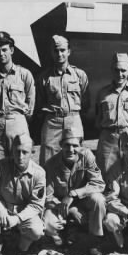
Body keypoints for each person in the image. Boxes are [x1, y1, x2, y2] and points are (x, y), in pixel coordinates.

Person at [43, 127, 106, 255]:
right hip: (60, 206)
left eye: (75, 145)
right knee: (48, 223)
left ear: (80, 146)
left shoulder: (87, 156)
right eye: (67, 145)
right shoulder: (51, 164)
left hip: (82, 201)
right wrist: (70, 209)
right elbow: (47, 196)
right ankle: (61, 236)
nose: (71, 149)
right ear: (60, 145)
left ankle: (94, 242)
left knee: (98, 200)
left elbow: (99, 184)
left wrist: (73, 194)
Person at [37, 35, 90, 166]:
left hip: (73, 119)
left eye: (62, 50)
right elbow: (40, 101)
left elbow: (85, 101)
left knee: (75, 158)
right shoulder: (44, 77)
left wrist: (72, 115)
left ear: (69, 51)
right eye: (56, 51)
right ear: (51, 52)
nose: (59, 54)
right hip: (52, 121)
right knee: (48, 159)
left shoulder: (79, 75)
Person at [95, 52, 128, 179]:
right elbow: (98, 119)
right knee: (105, 174)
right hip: (108, 139)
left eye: (123, 70)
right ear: (112, 70)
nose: (120, 74)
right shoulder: (103, 93)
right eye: (116, 70)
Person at [0, 31, 36, 165]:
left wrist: (18, 119)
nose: (1, 54)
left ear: (12, 50)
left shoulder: (24, 74)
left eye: (4, 50)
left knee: (20, 164)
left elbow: (30, 105)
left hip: (17, 122)